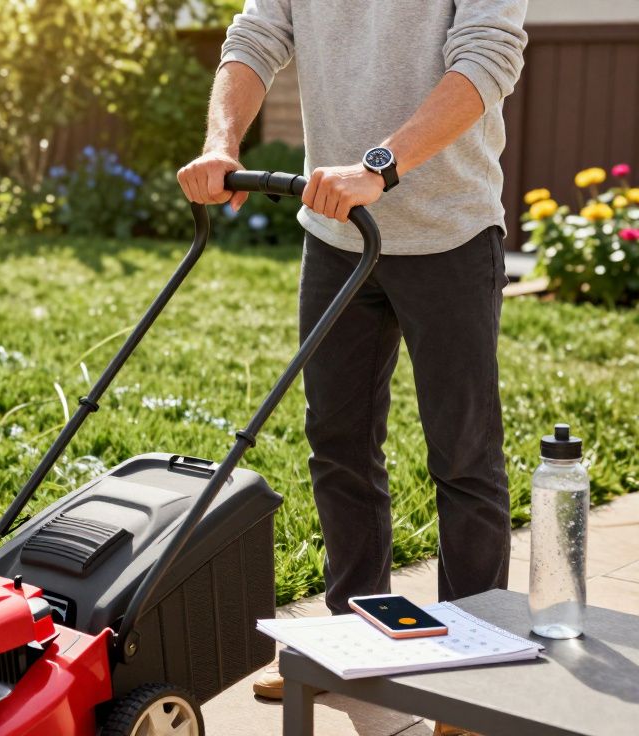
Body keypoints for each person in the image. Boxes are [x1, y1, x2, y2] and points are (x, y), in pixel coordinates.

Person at [177, 0, 528, 726]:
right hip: (337, 236)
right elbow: (258, 32)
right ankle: (356, 642)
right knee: (337, 444)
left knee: (462, 455)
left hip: (450, 230)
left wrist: (380, 165)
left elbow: (489, 57)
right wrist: (222, 142)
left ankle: (471, 669)